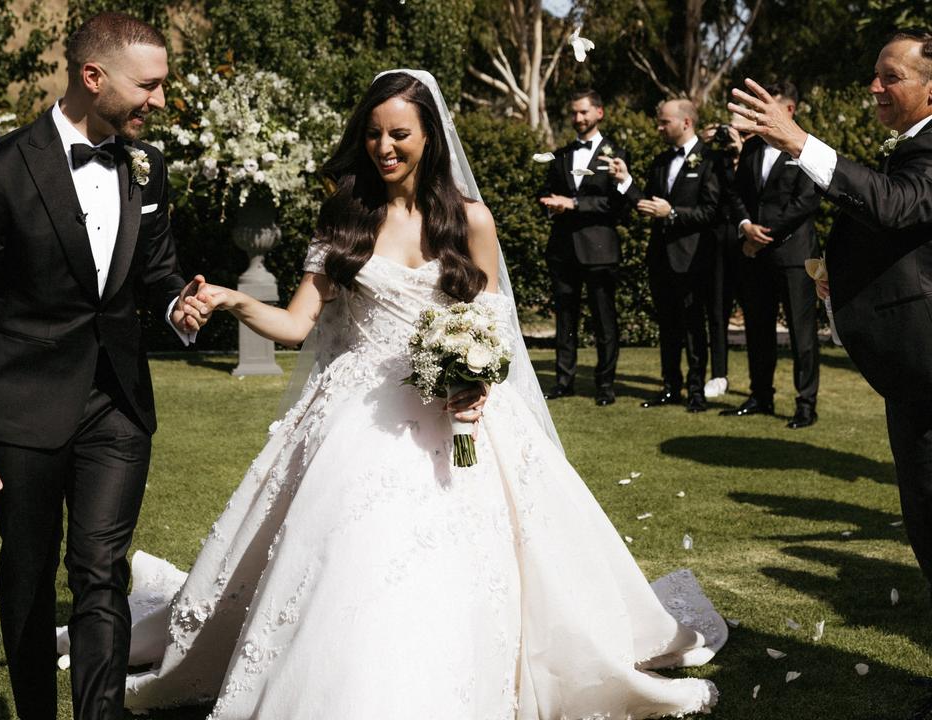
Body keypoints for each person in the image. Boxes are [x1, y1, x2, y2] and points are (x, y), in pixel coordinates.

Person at [118, 71, 722, 719]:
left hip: (462, 421)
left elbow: (494, 328)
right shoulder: (344, 220)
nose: (384, 148)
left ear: (429, 137)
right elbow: (296, 327)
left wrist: (477, 383)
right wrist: (234, 299)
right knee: (354, 551)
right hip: (360, 419)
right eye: (373, 135)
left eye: (399, 134)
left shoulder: (472, 220)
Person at [0, 13, 208, 720]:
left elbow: (158, 275)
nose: (161, 101)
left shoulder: (150, 166)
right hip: (20, 408)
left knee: (100, 572)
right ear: (92, 78)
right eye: (150, 86)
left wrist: (179, 308)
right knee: (25, 573)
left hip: (118, 405)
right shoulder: (0, 168)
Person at [731, 32, 932, 714]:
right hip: (912, 380)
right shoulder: (912, 144)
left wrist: (799, 143)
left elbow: (897, 205)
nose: (874, 88)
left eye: (890, 76)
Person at [721, 81, 823, 428]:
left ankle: (806, 404)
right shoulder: (750, 150)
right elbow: (735, 194)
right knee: (758, 329)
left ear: (789, 111)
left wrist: (764, 234)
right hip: (755, 253)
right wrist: (746, 225)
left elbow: (806, 201)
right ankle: (760, 396)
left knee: (801, 333)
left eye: (768, 108)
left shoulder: (806, 149)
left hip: (794, 255)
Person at [617, 99, 722, 413]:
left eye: (664, 122)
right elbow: (648, 204)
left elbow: (711, 211)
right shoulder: (661, 161)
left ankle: (696, 392)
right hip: (661, 257)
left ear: (686, 122)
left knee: (693, 326)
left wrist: (673, 212)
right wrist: (626, 182)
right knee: (668, 326)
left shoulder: (709, 160)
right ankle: (669, 387)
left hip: (693, 257)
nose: (659, 127)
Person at [537, 89, 630, 406]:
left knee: (604, 320)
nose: (578, 118)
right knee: (565, 320)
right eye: (574, 113)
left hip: (599, 250)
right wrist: (551, 206)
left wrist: (574, 203)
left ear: (599, 113)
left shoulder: (615, 154)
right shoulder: (560, 155)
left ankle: (605, 385)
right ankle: (564, 381)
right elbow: (546, 195)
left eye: (584, 112)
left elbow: (616, 205)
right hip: (563, 251)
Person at [698, 123, 745, 400]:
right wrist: (705, 146)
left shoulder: (752, 153)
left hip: (747, 238)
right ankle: (718, 374)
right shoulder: (713, 158)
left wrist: (741, 150)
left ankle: (759, 383)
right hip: (718, 239)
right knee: (716, 310)